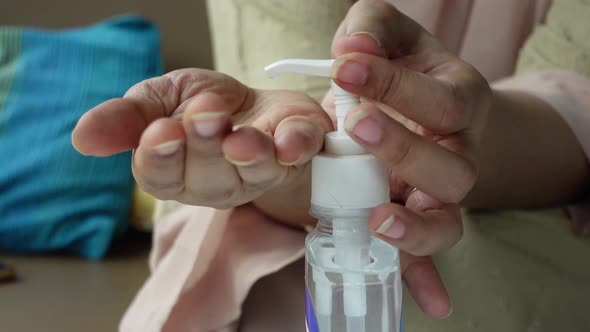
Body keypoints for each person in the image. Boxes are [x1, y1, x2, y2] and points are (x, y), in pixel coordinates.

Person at [72, 0, 590, 331]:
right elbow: (295, 122)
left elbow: (575, 100)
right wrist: (294, 164)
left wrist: (446, 136)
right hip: (287, 212)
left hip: (529, 200)